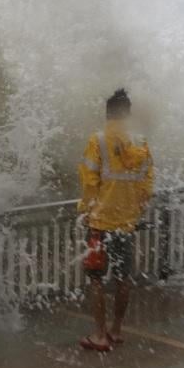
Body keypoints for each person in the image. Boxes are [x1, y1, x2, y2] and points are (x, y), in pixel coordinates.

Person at [77, 88, 154, 352]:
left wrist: (85, 209)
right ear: (128, 113)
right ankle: (117, 329)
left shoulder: (98, 140)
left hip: (100, 224)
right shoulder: (141, 142)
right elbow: (147, 185)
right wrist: (135, 210)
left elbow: (89, 181)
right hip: (127, 224)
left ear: (108, 112)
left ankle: (99, 335)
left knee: (96, 278)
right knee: (123, 278)